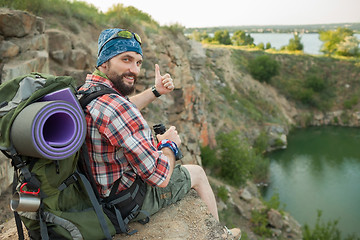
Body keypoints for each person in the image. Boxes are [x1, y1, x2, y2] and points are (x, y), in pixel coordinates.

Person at [79, 28, 240, 238]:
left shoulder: (88, 91)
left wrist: (156, 91)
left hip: (97, 188)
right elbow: (160, 176)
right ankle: (220, 235)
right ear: (104, 62)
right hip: (123, 201)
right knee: (198, 174)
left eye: (138, 63)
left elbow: (122, 107)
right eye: (126, 60)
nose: (134, 70)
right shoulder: (118, 109)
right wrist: (169, 145)